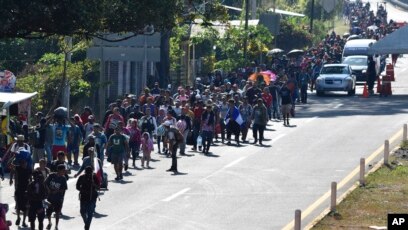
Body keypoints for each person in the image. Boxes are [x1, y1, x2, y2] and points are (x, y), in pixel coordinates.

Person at [9, 158, 32, 228]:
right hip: (19, 190)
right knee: (18, 206)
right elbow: (11, 168)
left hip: (26, 190)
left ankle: (24, 221)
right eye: (22, 163)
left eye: (25, 163)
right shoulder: (18, 168)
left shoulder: (29, 169)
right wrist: (10, 179)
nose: (24, 164)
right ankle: (18, 217)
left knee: (26, 207)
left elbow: (31, 179)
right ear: (20, 164)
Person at [45, 164, 68, 230]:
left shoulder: (63, 178)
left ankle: (56, 225)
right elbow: (45, 183)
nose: (64, 172)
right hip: (49, 198)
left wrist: (57, 191)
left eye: (64, 170)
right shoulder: (51, 175)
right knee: (48, 213)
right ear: (59, 170)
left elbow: (64, 188)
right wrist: (48, 190)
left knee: (57, 212)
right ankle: (49, 223)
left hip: (58, 198)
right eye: (63, 170)